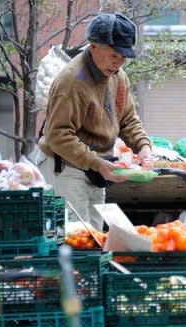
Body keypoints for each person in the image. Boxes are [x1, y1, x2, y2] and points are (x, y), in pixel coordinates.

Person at [37, 13, 153, 230]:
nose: (118, 63)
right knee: (75, 239)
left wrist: (144, 147)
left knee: (94, 238)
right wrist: (97, 163)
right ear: (93, 46)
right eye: (114, 55)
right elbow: (57, 135)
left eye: (123, 57)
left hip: (95, 167)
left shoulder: (118, 77)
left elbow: (127, 119)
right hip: (64, 167)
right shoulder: (72, 80)